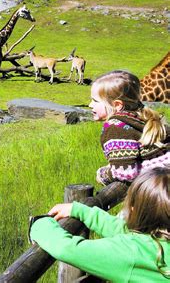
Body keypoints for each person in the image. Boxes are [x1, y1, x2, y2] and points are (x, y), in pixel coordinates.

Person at [30, 166, 170, 282]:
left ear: (134, 209)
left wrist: (39, 223)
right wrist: (80, 211)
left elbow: (69, 248)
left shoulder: (132, 252)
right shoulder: (157, 244)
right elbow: (125, 231)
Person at [89, 70, 169, 186]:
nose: (90, 105)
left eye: (95, 101)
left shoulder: (115, 128)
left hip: (159, 185)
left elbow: (125, 172)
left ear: (117, 105)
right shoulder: (141, 116)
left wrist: (103, 174)